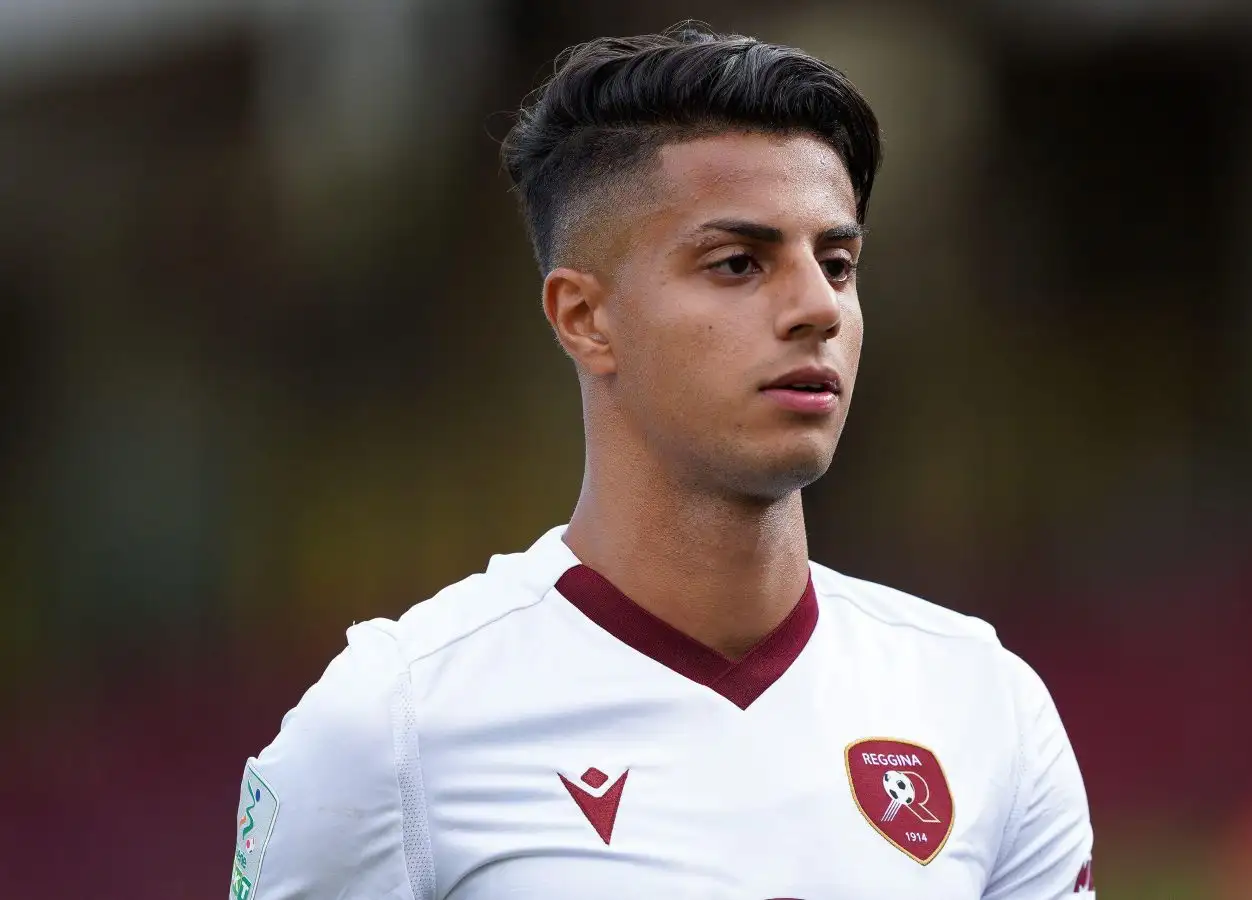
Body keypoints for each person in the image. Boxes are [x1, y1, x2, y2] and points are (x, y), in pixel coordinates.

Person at [231, 22, 1094, 899]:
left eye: (837, 263)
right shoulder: (395, 725)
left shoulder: (983, 705)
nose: (815, 308)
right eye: (736, 264)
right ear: (583, 318)